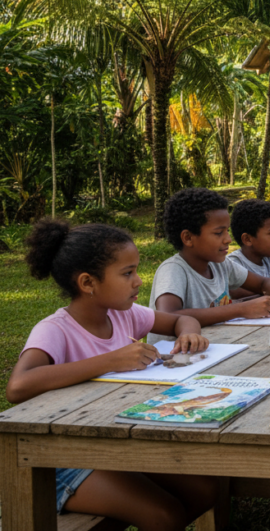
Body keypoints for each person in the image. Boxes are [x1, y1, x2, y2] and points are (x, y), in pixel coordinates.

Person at [7, 219, 217, 528]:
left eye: (136, 271)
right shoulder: (56, 330)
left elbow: (178, 320)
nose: (138, 282)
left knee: (207, 490)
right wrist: (110, 360)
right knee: (163, 515)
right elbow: (18, 386)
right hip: (63, 459)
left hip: (117, 442)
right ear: (88, 283)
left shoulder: (124, 315)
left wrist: (189, 333)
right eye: (127, 273)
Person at [149, 188, 270, 342]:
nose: (228, 239)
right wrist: (241, 309)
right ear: (188, 238)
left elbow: (263, 283)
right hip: (172, 357)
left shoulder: (221, 264)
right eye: (219, 233)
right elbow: (168, 315)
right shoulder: (173, 270)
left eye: (227, 231)